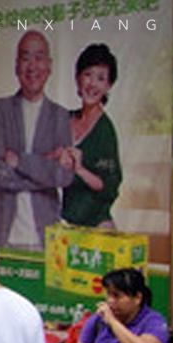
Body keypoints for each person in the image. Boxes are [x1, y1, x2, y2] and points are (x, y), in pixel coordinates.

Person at [0, 28, 72, 248]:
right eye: (25, 58)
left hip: (45, 234)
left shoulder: (60, 116)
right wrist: (43, 168)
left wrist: (20, 161)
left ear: (49, 66)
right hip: (2, 230)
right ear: (16, 66)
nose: (32, 66)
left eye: (39, 58)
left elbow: (62, 176)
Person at [57, 44, 124, 228]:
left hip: (98, 228)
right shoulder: (64, 120)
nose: (92, 84)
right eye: (87, 75)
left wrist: (79, 170)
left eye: (101, 78)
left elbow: (109, 186)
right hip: (69, 226)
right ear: (78, 78)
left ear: (108, 86)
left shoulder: (105, 131)